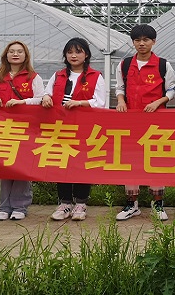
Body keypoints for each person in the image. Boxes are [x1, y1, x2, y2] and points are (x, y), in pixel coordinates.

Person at [115, 24, 175, 222]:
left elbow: (172, 90)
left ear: (153, 42)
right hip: (131, 122)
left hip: (156, 122)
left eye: (146, 40)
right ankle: (131, 204)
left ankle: (157, 204)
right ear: (133, 42)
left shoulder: (163, 65)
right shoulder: (125, 65)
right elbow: (120, 87)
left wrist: (158, 102)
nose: (141, 44)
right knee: (131, 161)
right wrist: (121, 101)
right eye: (137, 40)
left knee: (155, 160)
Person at [42, 37, 106, 221]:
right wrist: (46, 97)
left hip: (84, 128)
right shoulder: (58, 75)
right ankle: (64, 203)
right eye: (69, 52)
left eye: (78, 52)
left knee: (81, 163)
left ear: (86, 55)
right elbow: (48, 92)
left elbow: (100, 102)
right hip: (60, 128)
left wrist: (79, 103)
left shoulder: (96, 76)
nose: (73, 55)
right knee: (61, 163)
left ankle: (81, 203)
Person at [0, 41, 44, 221]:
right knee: (5, 166)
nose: (15, 54)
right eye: (11, 51)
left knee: (21, 166)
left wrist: (22, 102)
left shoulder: (33, 77)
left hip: (26, 128)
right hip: (4, 128)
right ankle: (4, 206)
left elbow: (40, 99)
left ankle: (20, 206)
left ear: (25, 55)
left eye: (20, 51)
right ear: (6, 55)